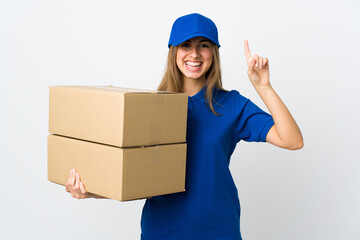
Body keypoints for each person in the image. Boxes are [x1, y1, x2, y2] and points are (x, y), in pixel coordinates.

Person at [65, 13, 303, 240]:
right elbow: (132, 177)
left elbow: (292, 140)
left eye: (204, 45)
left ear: (214, 52)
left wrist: (264, 86)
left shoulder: (231, 105)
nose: (195, 54)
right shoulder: (149, 108)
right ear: (174, 51)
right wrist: (88, 191)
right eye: (186, 45)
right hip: (162, 230)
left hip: (219, 231)